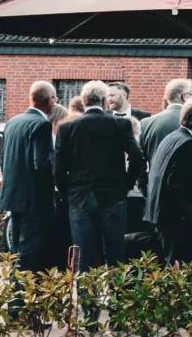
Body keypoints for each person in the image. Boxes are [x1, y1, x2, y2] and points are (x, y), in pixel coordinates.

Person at [53, 80, 139, 267]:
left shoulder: (67, 128)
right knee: (115, 251)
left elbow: (58, 167)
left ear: (83, 102)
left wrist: (67, 190)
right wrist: (126, 185)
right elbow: (137, 157)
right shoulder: (121, 124)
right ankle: (116, 294)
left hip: (80, 196)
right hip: (113, 195)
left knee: (82, 253)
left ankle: (85, 295)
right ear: (104, 102)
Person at [0, 81, 62, 272]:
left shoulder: (13, 122)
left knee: (16, 250)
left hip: (12, 196)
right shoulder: (41, 124)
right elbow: (42, 165)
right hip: (34, 200)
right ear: (51, 100)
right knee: (30, 252)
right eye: (55, 97)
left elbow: (4, 160)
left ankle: (14, 296)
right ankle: (23, 297)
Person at [143, 99, 192, 264]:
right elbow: (177, 186)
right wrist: (191, 217)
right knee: (181, 265)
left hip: (161, 215)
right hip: (178, 222)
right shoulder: (187, 144)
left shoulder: (172, 138)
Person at [138, 78, 192, 167]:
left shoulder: (145, 123)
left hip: (156, 179)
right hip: (191, 179)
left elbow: (139, 158)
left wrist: (145, 180)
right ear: (184, 97)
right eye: (191, 95)